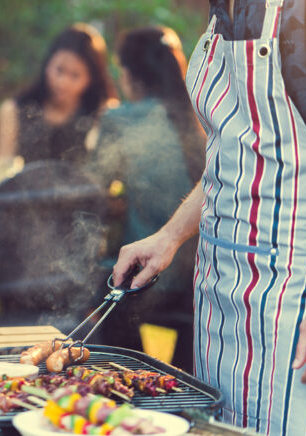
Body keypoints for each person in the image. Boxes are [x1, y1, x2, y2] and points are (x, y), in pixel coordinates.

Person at [112, 0, 306, 434]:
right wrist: (169, 236)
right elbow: (238, 151)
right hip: (219, 286)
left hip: (300, 291)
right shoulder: (226, 8)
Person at [89, 26, 205, 370]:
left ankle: (131, 376)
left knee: (98, 287)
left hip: (153, 279)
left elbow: (95, 186)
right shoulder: (201, 115)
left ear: (128, 73)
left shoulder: (120, 119)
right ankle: (181, 381)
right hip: (203, 280)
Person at [0, 23, 117, 176]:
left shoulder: (102, 113)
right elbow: (1, 174)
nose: (63, 82)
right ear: (47, 64)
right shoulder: (14, 110)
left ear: (92, 79)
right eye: (59, 70)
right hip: (22, 198)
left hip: (80, 199)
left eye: (75, 75)